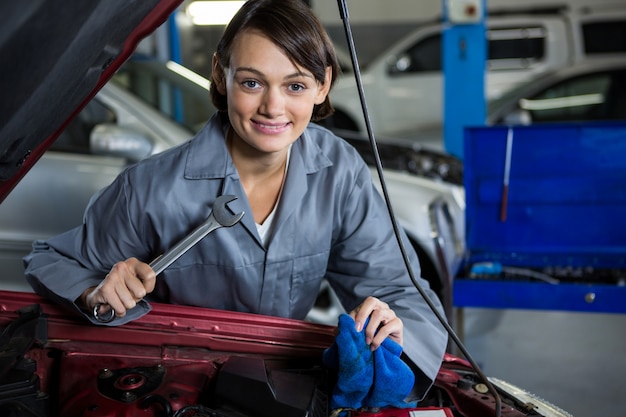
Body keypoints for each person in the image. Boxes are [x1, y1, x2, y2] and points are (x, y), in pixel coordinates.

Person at [24, 0, 447, 400]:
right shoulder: (150, 187)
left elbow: (399, 287)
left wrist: (393, 328)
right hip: (179, 385)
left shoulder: (340, 173)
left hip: (290, 388)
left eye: (295, 85)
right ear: (219, 75)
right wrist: (95, 294)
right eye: (251, 82)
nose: (273, 107)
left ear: (323, 86)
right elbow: (52, 260)